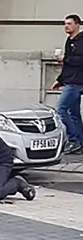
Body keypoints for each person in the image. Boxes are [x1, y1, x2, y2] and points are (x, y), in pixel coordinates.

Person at [52, 14, 83, 154]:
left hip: (77, 81)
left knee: (61, 109)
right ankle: (80, 142)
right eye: (65, 24)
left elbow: (78, 60)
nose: (66, 26)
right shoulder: (69, 40)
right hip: (70, 79)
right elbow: (67, 65)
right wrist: (60, 80)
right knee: (73, 112)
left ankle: (73, 139)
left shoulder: (81, 40)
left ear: (78, 24)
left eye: (69, 23)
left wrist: (66, 58)